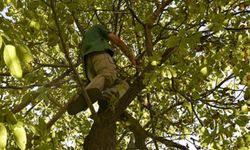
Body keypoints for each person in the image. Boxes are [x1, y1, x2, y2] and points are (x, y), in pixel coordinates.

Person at [67, 24, 138, 115]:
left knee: (123, 85)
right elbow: (117, 40)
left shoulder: (87, 39)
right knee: (108, 75)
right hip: (99, 54)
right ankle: (84, 96)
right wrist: (131, 56)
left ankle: (106, 101)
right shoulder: (98, 28)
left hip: (90, 70)